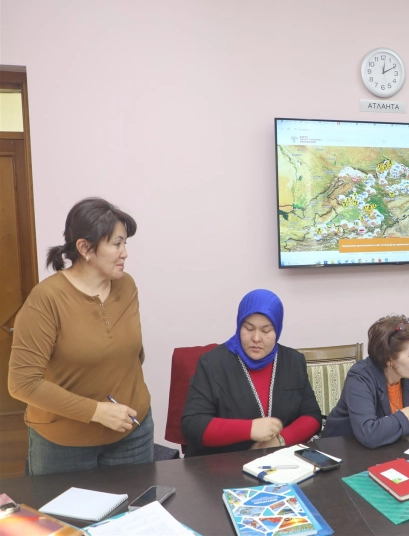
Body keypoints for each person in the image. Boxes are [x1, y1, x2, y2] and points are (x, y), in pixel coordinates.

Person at [9, 197, 153, 475]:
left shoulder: (126, 286)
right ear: (85, 248)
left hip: (132, 434)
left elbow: (132, 354)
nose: (125, 253)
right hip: (63, 444)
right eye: (116, 244)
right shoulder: (46, 300)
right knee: (62, 508)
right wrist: (96, 411)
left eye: (125, 244)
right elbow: (23, 384)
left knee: (136, 505)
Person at [182, 290, 322, 456]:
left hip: (278, 462)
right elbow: (193, 424)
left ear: (277, 330)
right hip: (222, 463)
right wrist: (249, 429)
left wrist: (280, 440)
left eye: (266, 331)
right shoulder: (212, 363)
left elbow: (312, 416)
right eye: (248, 328)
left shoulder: (293, 361)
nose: (256, 338)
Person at [322, 315, 409, 449]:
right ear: (388, 359)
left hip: (391, 448)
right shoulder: (360, 377)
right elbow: (370, 434)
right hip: (343, 451)